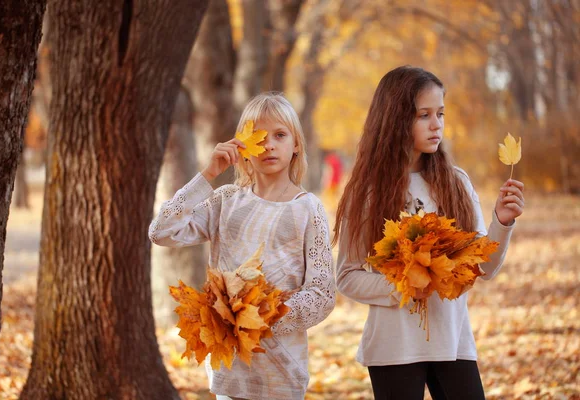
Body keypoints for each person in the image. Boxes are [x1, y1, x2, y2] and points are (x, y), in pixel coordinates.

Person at [333, 66, 525, 400]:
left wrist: (502, 222)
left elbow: (485, 267)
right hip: (394, 348)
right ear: (394, 119)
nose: (437, 124)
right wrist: (402, 286)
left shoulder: (456, 183)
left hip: (453, 343)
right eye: (424, 115)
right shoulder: (365, 193)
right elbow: (347, 276)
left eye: (440, 114)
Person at [149, 92, 335, 400]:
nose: (269, 145)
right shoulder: (227, 200)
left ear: (296, 144)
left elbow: (322, 293)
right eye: (258, 137)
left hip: (281, 367)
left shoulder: (308, 209)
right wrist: (208, 174)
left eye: (279, 135)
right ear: (243, 147)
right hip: (230, 365)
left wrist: (266, 315)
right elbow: (162, 231)